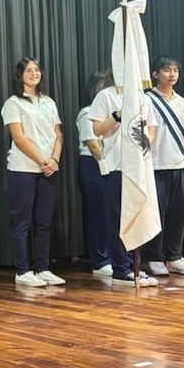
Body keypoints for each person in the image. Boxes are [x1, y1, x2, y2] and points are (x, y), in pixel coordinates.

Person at [89, 72, 159, 287]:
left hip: (139, 167)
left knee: (137, 215)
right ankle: (121, 268)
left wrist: (146, 142)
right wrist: (117, 116)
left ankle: (134, 265)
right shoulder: (105, 95)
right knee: (117, 218)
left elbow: (152, 127)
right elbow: (97, 129)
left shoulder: (143, 98)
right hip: (116, 166)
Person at [0, 58, 65, 287]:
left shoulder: (48, 102)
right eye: (28, 70)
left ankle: (43, 267)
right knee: (22, 222)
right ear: (20, 75)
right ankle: (22, 270)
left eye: (37, 69)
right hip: (23, 170)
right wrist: (42, 161)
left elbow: (58, 134)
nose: (34, 73)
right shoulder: (13, 103)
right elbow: (18, 138)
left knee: (44, 222)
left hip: (49, 169)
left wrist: (54, 159)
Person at [143, 56, 184, 276]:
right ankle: (154, 257)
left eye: (175, 70)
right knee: (157, 213)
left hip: (181, 164)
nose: (172, 74)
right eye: (166, 70)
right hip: (156, 164)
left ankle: (174, 256)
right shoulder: (147, 100)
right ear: (155, 74)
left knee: (178, 213)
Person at [76, 72, 110, 276]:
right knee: (98, 213)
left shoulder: (110, 114)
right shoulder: (87, 112)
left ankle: (113, 255)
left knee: (110, 214)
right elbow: (93, 145)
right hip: (93, 165)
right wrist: (105, 168)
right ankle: (99, 259)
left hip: (110, 165)